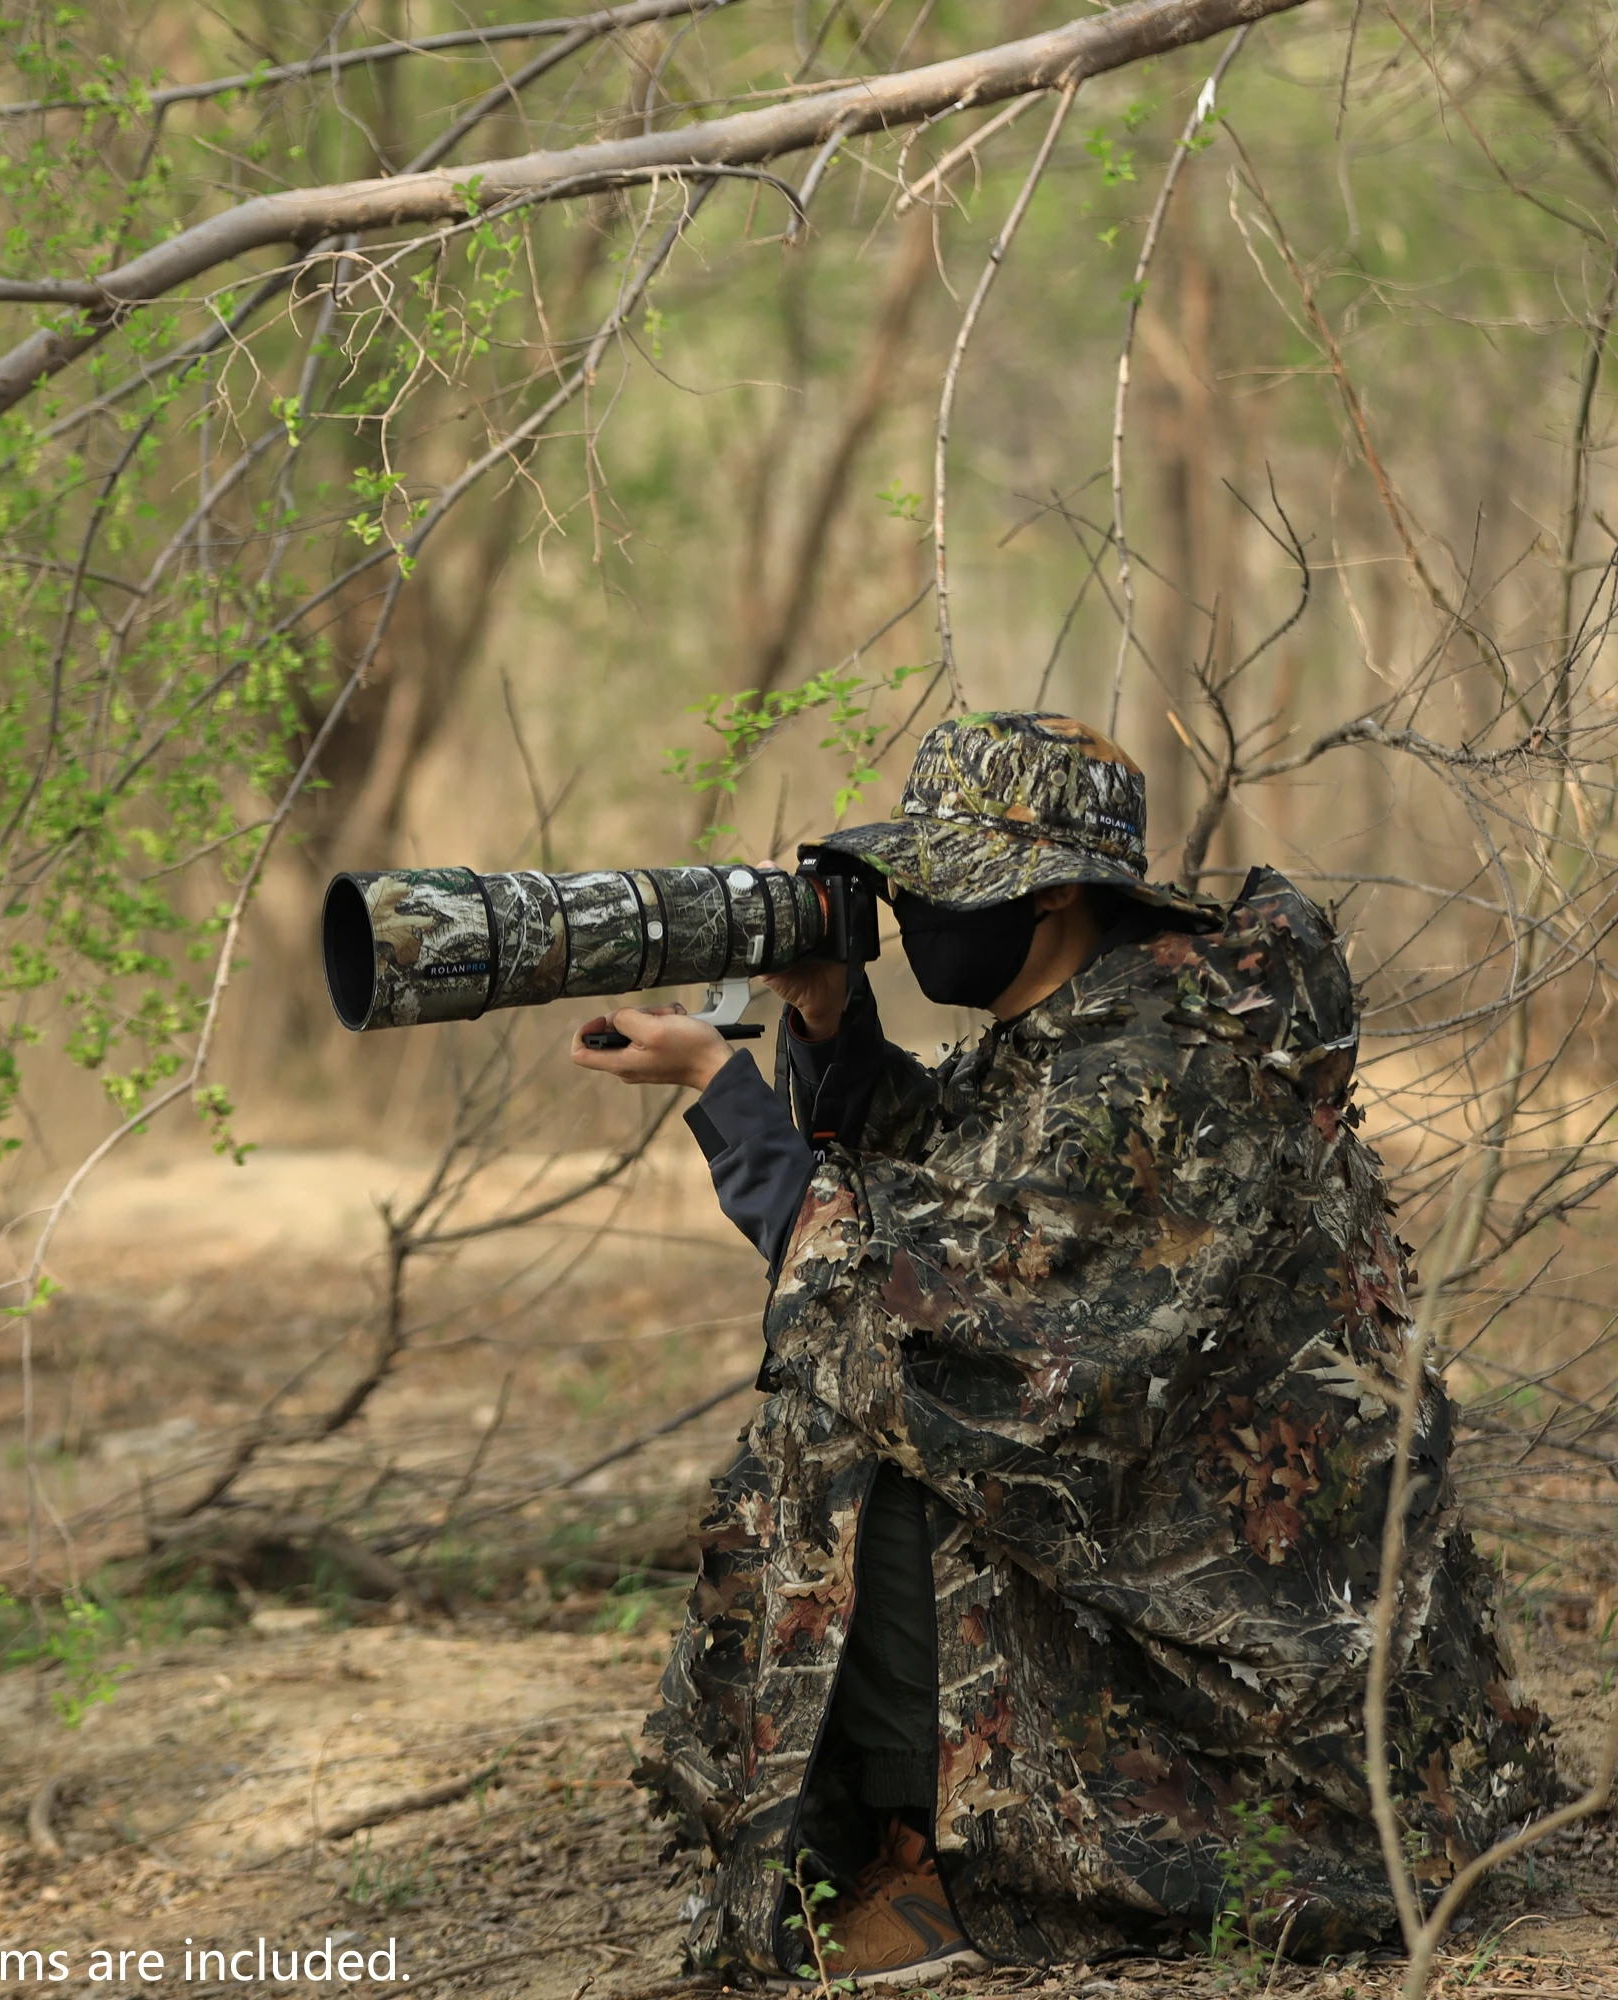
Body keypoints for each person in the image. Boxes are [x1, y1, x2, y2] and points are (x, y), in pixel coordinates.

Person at [572, 711, 1553, 1988]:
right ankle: (897, 1820)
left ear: (1055, 899)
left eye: (950, 883)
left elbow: (945, 1314)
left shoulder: (1152, 1062)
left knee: (866, 1413)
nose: (920, 909)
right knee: (856, 1388)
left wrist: (726, 1091)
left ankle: (949, 1863)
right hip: (1203, 1556)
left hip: (1265, 1662)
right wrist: (830, 1035)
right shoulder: (1113, 1018)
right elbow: (973, 1183)